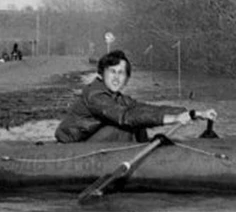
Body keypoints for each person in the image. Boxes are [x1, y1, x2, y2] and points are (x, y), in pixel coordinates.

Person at [55, 50, 216, 143]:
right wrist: (173, 119)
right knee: (124, 127)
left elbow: (144, 109)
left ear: (127, 78)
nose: (116, 78)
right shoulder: (95, 95)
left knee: (139, 119)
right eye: (112, 72)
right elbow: (125, 117)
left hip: (91, 140)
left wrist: (192, 113)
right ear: (101, 74)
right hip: (74, 146)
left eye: (121, 73)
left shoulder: (118, 98)